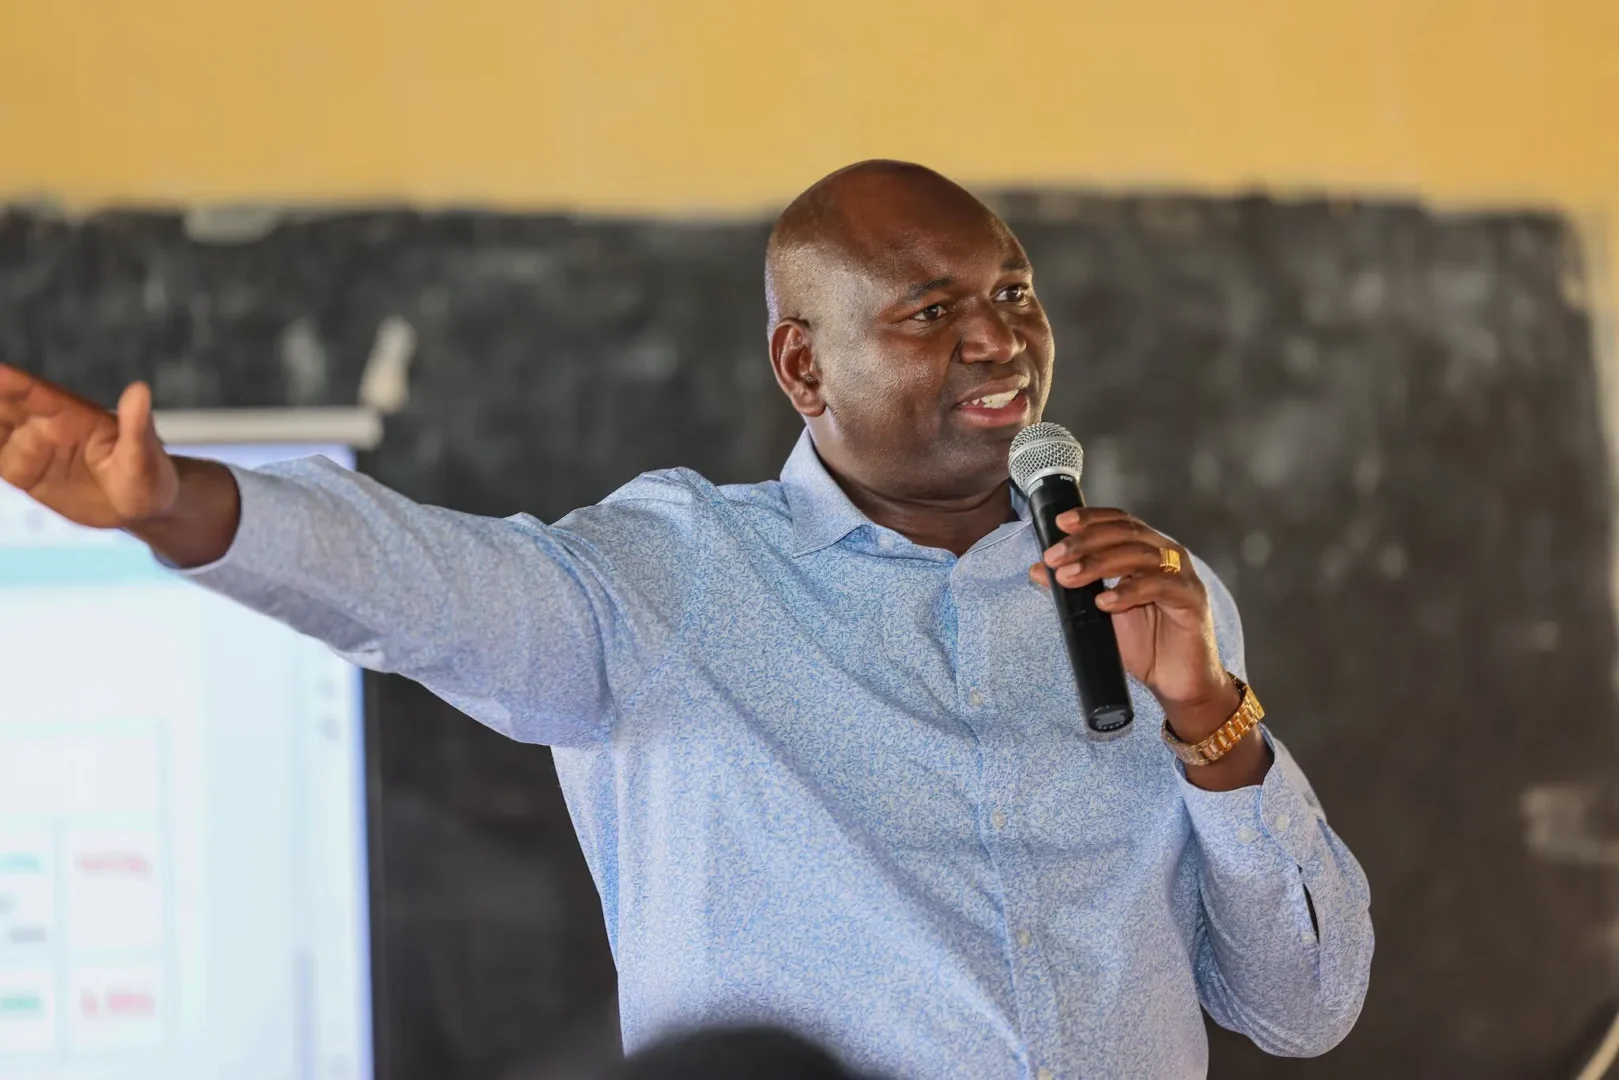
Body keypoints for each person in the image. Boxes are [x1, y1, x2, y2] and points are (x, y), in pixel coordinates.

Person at [0, 161, 1372, 1078]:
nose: (998, 339)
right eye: (932, 309)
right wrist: (186, 507)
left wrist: (1211, 721)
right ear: (802, 364)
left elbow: (1303, 1007)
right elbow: (428, 588)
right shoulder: (675, 575)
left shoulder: (1152, 600)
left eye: (1013, 293)